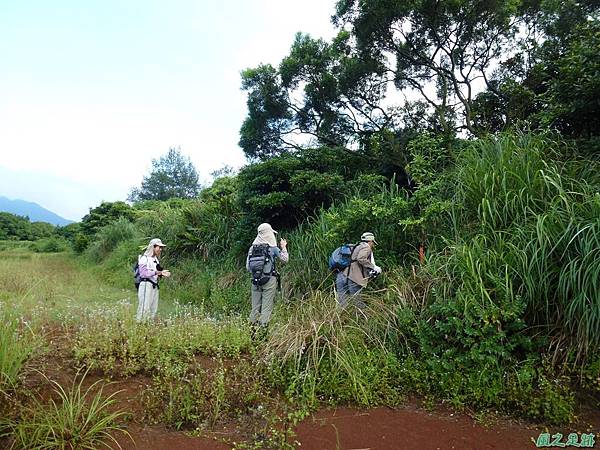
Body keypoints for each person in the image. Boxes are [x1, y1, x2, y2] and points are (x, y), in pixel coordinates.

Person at [246, 223, 289, 330]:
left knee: (255, 308)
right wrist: (283, 247)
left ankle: (252, 334)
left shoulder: (252, 249)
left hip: (255, 281)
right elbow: (285, 260)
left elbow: (248, 267)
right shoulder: (272, 248)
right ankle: (263, 335)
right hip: (269, 281)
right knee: (266, 308)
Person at [335, 231, 381, 309]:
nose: (373, 245)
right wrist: (373, 267)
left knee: (342, 303)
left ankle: (342, 319)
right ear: (370, 241)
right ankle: (363, 318)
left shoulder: (356, 246)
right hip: (353, 278)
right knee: (357, 301)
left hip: (342, 275)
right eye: (373, 242)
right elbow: (361, 258)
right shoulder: (366, 247)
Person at [136, 238, 171, 322]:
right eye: (159, 247)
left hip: (154, 285)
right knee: (144, 307)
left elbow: (156, 271)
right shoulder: (144, 259)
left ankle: (149, 326)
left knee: (153, 308)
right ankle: (140, 325)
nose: (160, 249)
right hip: (145, 285)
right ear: (153, 247)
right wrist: (158, 273)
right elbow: (143, 273)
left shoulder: (155, 260)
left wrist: (162, 273)